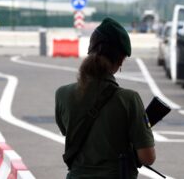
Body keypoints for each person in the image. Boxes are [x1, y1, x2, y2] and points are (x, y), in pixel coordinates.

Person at [55, 17, 155, 179]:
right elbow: (147, 157)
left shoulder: (62, 94)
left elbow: (69, 131)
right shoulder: (129, 99)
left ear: (90, 51)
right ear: (121, 59)